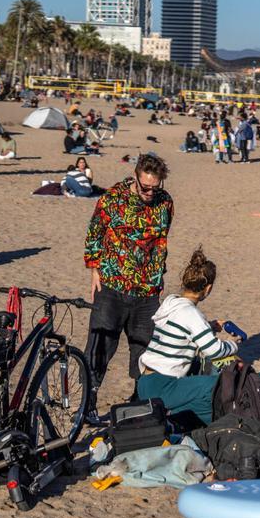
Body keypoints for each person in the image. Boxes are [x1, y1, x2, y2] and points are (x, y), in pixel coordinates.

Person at [84, 153, 175, 387]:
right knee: (99, 349)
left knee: (145, 354)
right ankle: (87, 403)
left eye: (155, 187)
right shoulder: (113, 198)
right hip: (112, 285)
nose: (150, 193)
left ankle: (140, 405)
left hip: (147, 292)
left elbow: (161, 239)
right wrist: (94, 270)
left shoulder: (165, 202)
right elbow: (95, 233)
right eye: (145, 187)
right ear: (135, 176)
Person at [136, 247, 245, 428]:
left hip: (145, 382)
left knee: (200, 393)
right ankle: (191, 422)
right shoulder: (191, 313)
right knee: (218, 385)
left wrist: (209, 327)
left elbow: (181, 331)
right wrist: (233, 345)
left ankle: (177, 419)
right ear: (207, 289)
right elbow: (214, 350)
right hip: (163, 386)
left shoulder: (172, 303)